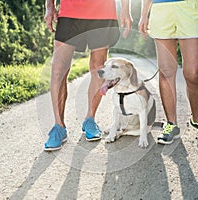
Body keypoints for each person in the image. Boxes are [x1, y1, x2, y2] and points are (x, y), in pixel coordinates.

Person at [44, 0, 132, 151]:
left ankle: (90, 119)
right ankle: (59, 126)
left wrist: (125, 9)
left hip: (102, 11)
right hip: (69, 12)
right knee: (58, 69)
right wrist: (49, 5)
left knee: (98, 68)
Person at [139, 0, 198, 144]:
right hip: (160, 7)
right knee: (166, 71)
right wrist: (144, 14)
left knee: (194, 73)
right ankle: (171, 124)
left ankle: (197, 119)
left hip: (191, 7)